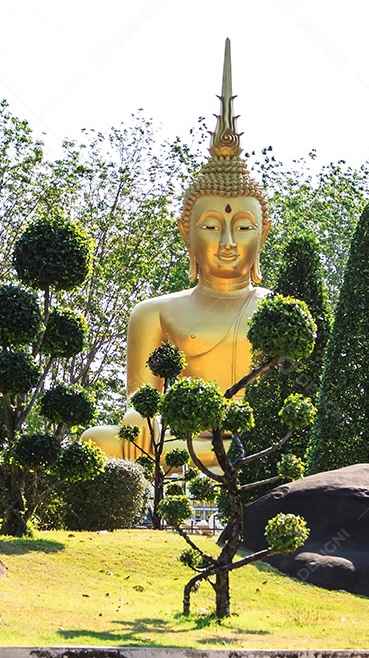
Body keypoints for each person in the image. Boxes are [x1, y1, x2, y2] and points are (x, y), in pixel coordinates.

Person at [82, 39, 268, 467]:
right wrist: (138, 416)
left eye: (242, 227)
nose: (226, 242)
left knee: (258, 448)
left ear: (263, 233)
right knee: (96, 440)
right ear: (187, 233)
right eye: (210, 226)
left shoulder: (279, 313)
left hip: (260, 441)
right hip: (180, 442)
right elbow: (142, 399)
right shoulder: (155, 313)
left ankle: (233, 457)